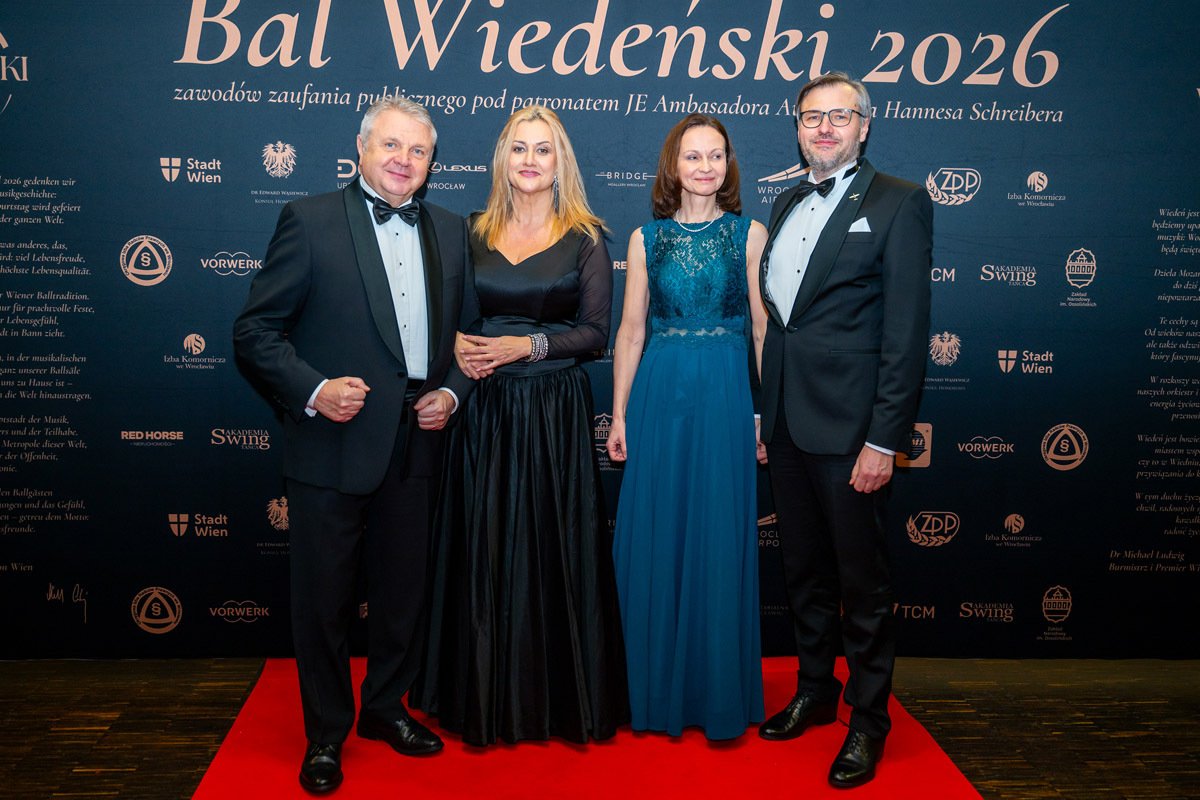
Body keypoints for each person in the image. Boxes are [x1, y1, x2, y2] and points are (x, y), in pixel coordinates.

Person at [233, 96, 480, 793]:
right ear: (362, 149)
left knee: (404, 593)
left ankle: (384, 708)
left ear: (432, 162)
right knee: (324, 600)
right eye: (391, 145)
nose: (404, 160)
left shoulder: (452, 229)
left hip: (417, 444)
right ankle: (325, 733)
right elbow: (254, 333)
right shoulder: (308, 220)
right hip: (331, 442)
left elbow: (471, 337)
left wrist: (452, 393)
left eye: (418, 150)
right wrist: (315, 390)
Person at [409, 105, 629, 746]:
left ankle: (557, 702)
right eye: (519, 149)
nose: (530, 161)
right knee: (482, 548)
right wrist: (458, 360)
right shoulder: (470, 231)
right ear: (502, 159)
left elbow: (595, 334)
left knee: (552, 549)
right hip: (483, 410)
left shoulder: (587, 236)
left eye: (543, 149)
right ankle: (479, 698)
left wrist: (523, 347)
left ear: (561, 163)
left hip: (553, 410)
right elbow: (454, 322)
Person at [755, 72, 932, 788]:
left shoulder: (899, 201)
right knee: (804, 572)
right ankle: (815, 690)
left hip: (855, 431)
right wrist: (766, 413)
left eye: (839, 116)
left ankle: (868, 720)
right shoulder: (785, 200)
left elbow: (906, 334)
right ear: (797, 127)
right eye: (811, 117)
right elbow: (783, 324)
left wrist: (884, 439)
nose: (824, 128)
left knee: (862, 583)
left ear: (864, 124)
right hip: (788, 422)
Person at [606, 114, 768, 740]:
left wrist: (765, 412)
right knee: (658, 533)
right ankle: (648, 687)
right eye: (693, 156)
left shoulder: (749, 234)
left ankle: (714, 691)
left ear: (729, 165)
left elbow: (761, 330)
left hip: (726, 394)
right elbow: (630, 332)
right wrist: (620, 414)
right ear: (673, 166)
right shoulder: (645, 239)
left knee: (717, 535)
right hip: (660, 394)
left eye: (716, 156)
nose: (705, 167)